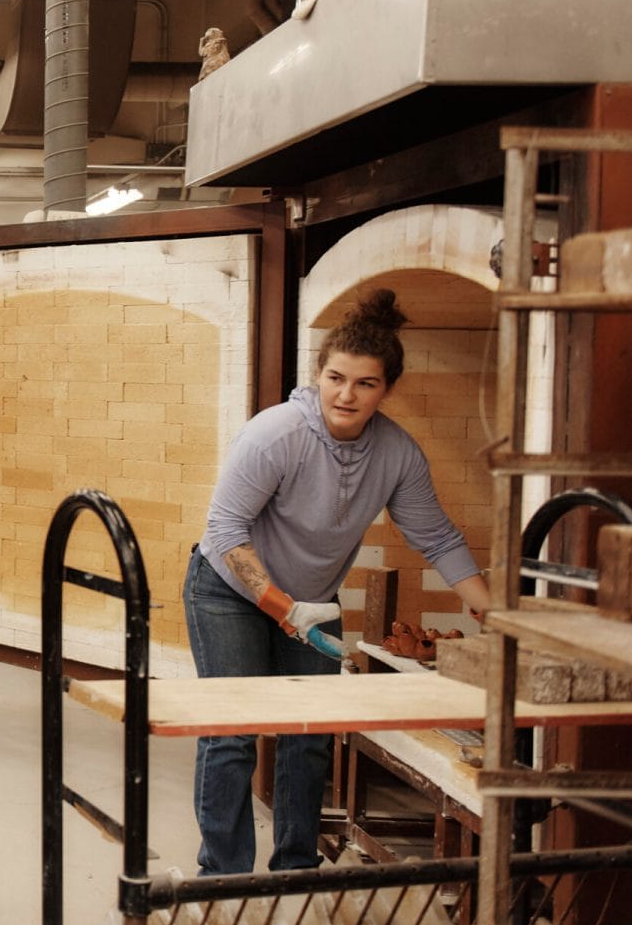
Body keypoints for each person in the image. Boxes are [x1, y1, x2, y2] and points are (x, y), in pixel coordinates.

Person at [186, 289, 491, 876]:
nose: (346, 394)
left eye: (365, 384)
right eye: (335, 378)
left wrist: (491, 614)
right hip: (229, 592)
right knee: (233, 734)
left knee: (309, 734)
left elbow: (440, 538)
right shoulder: (275, 435)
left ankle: (295, 870)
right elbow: (224, 530)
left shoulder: (398, 454)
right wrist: (279, 605)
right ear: (318, 375)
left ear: (387, 390)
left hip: (311, 602)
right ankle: (221, 877)